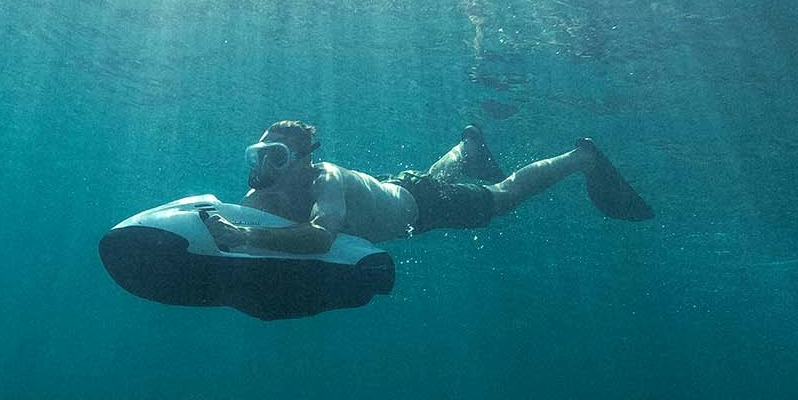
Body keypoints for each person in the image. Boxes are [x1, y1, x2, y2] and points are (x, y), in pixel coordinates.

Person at [199, 119, 653, 255]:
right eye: (258, 156)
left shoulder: (324, 178)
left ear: (303, 160)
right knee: (426, 180)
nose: (263, 167)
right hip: (401, 190)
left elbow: (321, 237)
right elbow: (237, 227)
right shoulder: (261, 196)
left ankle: (582, 158)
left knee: (505, 196)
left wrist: (246, 236)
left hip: (424, 206)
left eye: (275, 157)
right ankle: (468, 145)